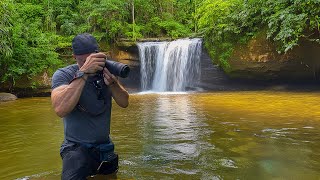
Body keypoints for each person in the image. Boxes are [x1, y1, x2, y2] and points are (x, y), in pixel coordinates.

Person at [51, 33, 129, 180]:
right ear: (74, 57)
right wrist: (83, 72)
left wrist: (113, 84)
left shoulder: (107, 70)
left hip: (105, 147)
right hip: (75, 148)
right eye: (85, 59)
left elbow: (124, 102)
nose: (91, 62)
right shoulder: (63, 75)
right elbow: (60, 109)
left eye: (92, 57)